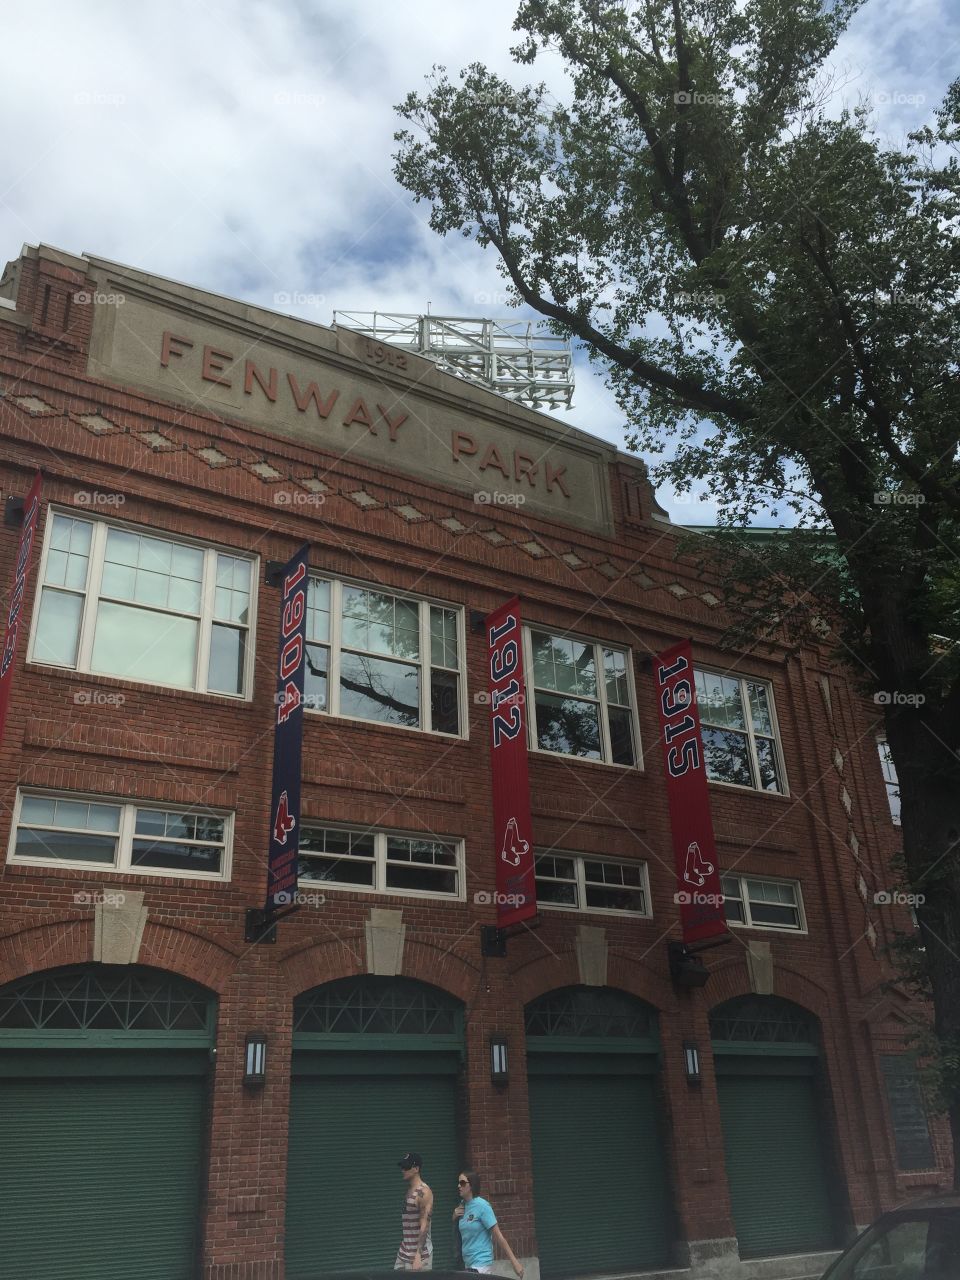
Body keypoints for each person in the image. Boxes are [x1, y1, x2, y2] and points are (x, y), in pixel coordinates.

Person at [453, 1170, 524, 1277]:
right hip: (468, 1263)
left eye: (462, 1183)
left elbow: (498, 1236)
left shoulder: (483, 1206)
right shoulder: (462, 1206)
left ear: (471, 1185)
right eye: (458, 1183)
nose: (459, 1186)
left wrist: (514, 1262)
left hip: (481, 1264)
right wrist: (454, 1217)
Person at [395, 1152, 433, 1271]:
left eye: (406, 1167)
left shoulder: (424, 1193)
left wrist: (418, 1254)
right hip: (404, 1252)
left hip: (418, 1255)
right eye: (402, 1167)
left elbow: (424, 1225)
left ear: (416, 1169)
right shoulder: (410, 1191)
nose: (403, 1170)